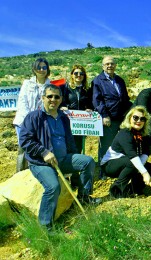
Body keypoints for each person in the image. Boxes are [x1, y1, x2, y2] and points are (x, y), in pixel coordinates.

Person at [19, 84, 101, 231]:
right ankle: (46, 228)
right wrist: (44, 152)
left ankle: (83, 197)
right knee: (53, 187)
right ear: (43, 98)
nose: (53, 99)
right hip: (41, 163)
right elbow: (24, 140)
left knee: (87, 162)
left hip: (62, 160)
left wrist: (74, 163)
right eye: (49, 96)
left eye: (57, 97)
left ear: (61, 99)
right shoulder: (34, 117)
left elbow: (69, 142)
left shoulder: (64, 118)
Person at [101, 106, 151, 198]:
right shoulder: (125, 133)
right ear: (129, 118)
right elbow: (132, 155)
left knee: (150, 167)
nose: (139, 121)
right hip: (110, 165)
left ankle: (131, 190)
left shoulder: (143, 135)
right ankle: (116, 191)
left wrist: (141, 168)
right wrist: (144, 173)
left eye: (142, 119)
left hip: (128, 162)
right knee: (133, 163)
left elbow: (146, 152)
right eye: (135, 117)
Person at [92, 56, 132, 179]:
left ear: (115, 65)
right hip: (108, 118)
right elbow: (97, 100)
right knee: (105, 145)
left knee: (119, 144)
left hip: (121, 117)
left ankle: (116, 169)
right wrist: (104, 115)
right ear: (103, 66)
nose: (110, 66)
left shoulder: (120, 80)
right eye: (107, 64)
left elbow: (124, 98)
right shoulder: (98, 81)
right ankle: (103, 171)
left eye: (112, 63)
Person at [13, 58, 51, 173]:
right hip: (23, 121)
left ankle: (32, 173)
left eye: (44, 67)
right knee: (23, 148)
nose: (41, 70)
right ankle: (19, 174)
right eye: (39, 67)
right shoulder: (27, 83)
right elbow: (22, 102)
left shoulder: (50, 86)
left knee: (35, 149)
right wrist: (28, 120)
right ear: (34, 69)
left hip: (40, 123)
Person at [60, 65, 93, 154]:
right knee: (67, 144)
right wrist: (62, 106)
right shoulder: (65, 88)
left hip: (80, 123)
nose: (79, 75)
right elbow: (59, 101)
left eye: (81, 73)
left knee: (78, 145)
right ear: (71, 75)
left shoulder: (87, 90)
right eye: (76, 73)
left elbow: (90, 104)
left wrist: (89, 109)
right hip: (67, 121)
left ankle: (77, 164)